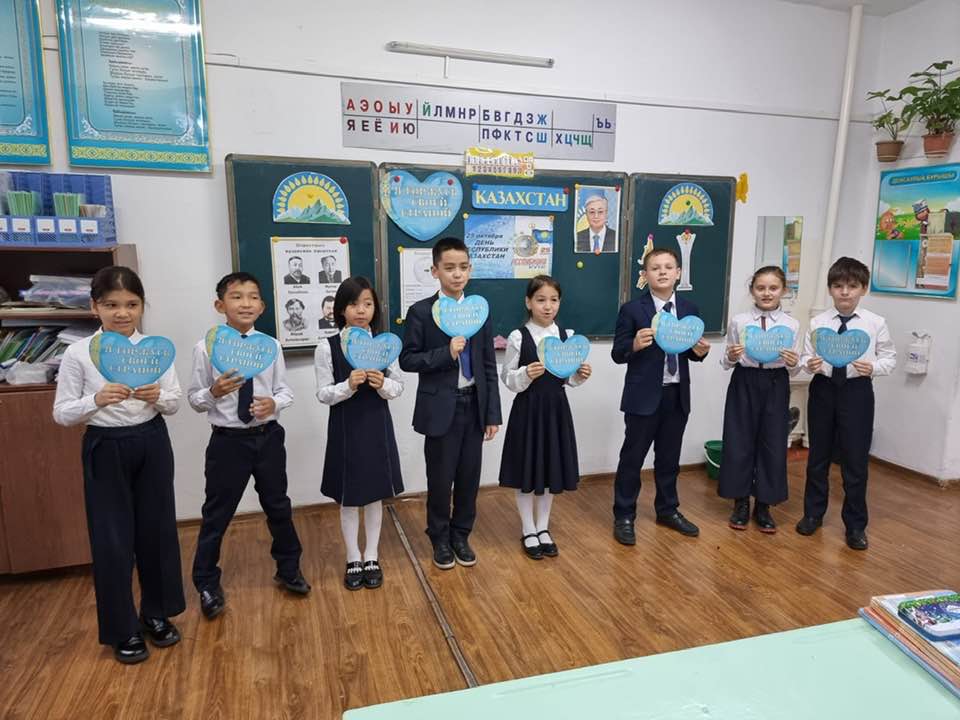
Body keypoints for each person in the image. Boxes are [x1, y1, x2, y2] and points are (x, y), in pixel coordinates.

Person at [52, 266, 185, 665]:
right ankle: (122, 628)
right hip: (104, 445)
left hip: (151, 442)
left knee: (157, 531)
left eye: (131, 304)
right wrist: (95, 400)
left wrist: (158, 397)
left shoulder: (155, 350)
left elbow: (174, 402)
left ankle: (156, 613)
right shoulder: (79, 353)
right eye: (111, 305)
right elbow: (62, 413)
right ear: (95, 307)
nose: (122, 313)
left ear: (142, 306)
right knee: (112, 540)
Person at [187, 271, 309, 621]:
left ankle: (289, 568)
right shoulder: (205, 347)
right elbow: (194, 399)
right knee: (217, 514)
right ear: (219, 305)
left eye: (253, 297)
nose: (245, 303)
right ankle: (207, 583)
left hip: (267, 437)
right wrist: (214, 392)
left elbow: (284, 391)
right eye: (236, 296)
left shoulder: (270, 346)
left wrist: (274, 404)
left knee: (278, 505)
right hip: (228, 442)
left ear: (262, 306)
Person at [399, 236, 502, 570]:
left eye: (463, 267)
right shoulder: (421, 312)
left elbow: (488, 364)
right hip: (441, 409)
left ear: (470, 269)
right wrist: (446, 353)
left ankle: (461, 535)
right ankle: (439, 538)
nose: (457, 274)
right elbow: (407, 359)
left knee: (470, 478)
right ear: (435, 271)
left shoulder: (479, 310)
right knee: (441, 479)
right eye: (449, 268)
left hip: (474, 405)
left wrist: (492, 413)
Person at [610, 248, 710, 543]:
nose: (663, 272)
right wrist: (634, 345)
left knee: (669, 459)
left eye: (668, 267)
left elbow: (690, 352)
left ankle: (668, 510)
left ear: (678, 273)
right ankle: (624, 515)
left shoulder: (690, 309)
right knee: (632, 458)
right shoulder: (632, 310)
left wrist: (700, 352)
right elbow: (618, 353)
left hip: (677, 395)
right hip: (643, 397)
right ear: (645, 275)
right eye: (655, 268)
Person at [796, 257, 896, 550]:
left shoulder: (875, 323)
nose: (844, 292)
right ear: (830, 289)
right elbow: (805, 356)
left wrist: (873, 367)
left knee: (855, 460)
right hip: (823, 389)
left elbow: (889, 357)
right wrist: (809, 363)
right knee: (818, 457)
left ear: (863, 289)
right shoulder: (819, 323)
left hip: (857, 391)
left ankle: (855, 525)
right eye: (838, 286)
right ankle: (813, 514)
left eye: (852, 286)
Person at [315, 276, 403, 590]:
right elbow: (323, 394)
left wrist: (383, 384)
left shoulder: (384, 344)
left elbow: (398, 386)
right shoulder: (327, 347)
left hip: (376, 425)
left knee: (375, 494)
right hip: (345, 427)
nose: (361, 310)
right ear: (341, 309)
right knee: (349, 496)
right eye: (353, 304)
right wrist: (348, 386)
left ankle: (372, 555)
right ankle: (353, 557)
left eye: (367, 303)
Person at [499, 275, 591, 559]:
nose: (548, 306)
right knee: (526, 469)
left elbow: (568, 379)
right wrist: (526, 374)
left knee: (550, 469)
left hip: (556, 409)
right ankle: (528, 529)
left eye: (553, 300)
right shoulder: (518, 337)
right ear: (528, 302)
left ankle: (543, 527)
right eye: (540, 300)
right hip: (528, 409)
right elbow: (508, 378)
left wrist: (580, 375)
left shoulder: (567, 336)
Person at [717, 266, 800, 533]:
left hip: (776, 383)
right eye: (760, 288)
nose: (767, 293)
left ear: (783, 291)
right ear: (752, 290)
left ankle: (764, 505)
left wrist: (794, 362)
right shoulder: (740, 321)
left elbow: (796, 368)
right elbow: (726, 361)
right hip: (744, 380)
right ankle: (740, 503)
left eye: (773, 288)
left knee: (773, 442)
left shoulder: (791, 325)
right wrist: (731, 356)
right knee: (738, 440)